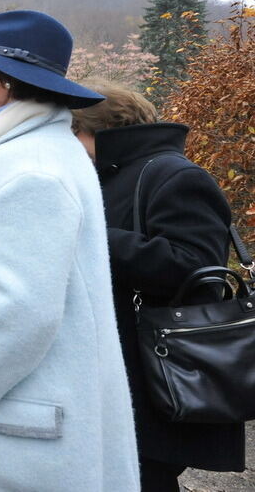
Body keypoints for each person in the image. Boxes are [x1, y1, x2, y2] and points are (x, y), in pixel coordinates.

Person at [0, 10, 139, 489]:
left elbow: (22, 312)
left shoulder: (28, 167)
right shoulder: (38, 148)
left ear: (8, 81)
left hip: (21, 421)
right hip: (24, 406)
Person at [71, 80, 245, 491]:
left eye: (72, 132)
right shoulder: (112, 172)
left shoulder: (173, 174)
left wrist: (90, 233)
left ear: (99, 129)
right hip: (120, 366)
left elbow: (194, 266)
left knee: (144, 477)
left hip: (152, 372)